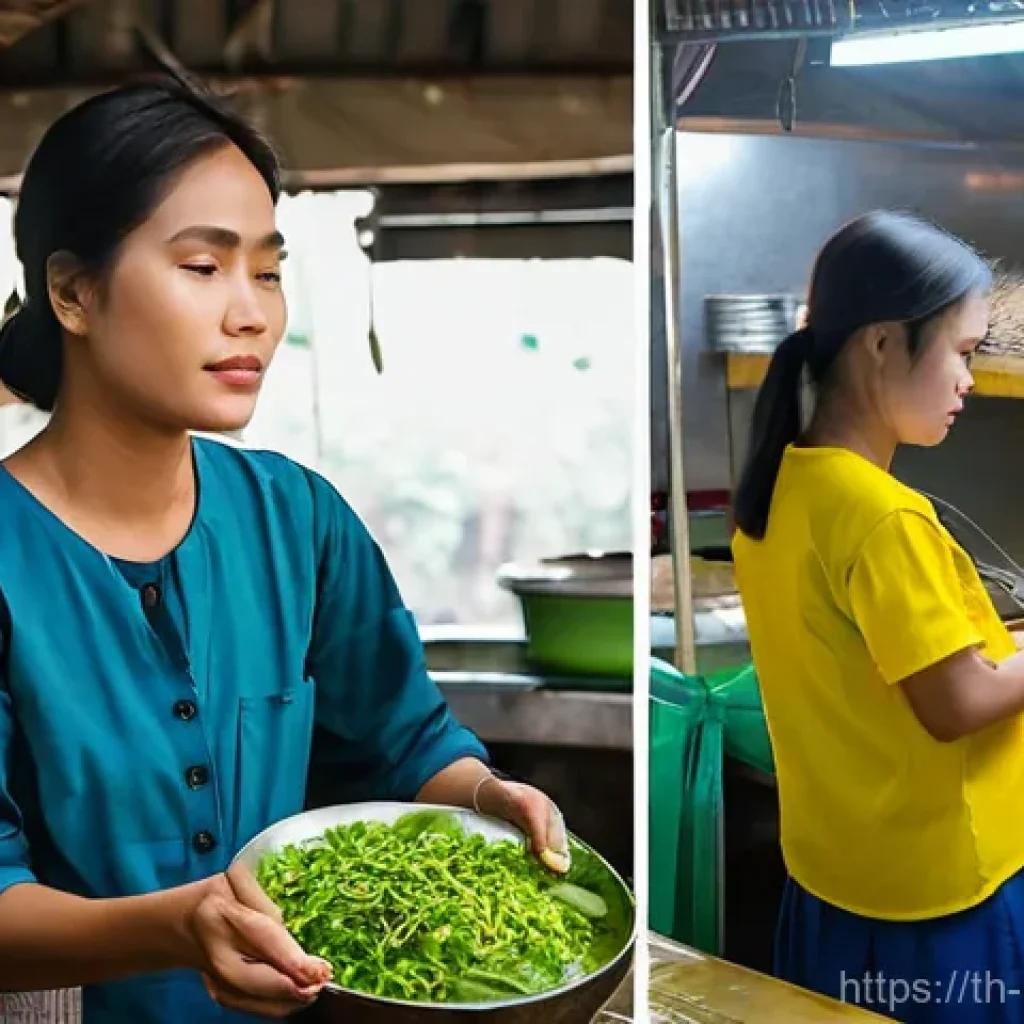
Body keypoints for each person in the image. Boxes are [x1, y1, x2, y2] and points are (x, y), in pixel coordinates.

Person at [0, 77, 569, 1024]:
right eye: (202, 267)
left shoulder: (297, 520)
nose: (253, 314)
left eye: (267, 270)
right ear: (72, 291)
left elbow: (400, 740)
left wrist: (482, 793)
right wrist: (177, 928)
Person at [731, 211, 1024, 1024]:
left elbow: (906, 663)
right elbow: (956, 702)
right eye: (962, 355)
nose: (968, 381)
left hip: (835, 884)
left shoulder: (788, 487)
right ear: (884, 343)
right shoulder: (885, 517)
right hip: (938, 905)